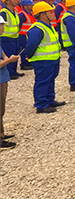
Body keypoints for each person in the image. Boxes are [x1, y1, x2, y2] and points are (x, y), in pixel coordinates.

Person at [25, 2, 66, 112]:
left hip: (52, 59)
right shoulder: (37, 29)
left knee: (50, 79)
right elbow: (31, 45)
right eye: (50, 12)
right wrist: (28, 56)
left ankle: (49, 99)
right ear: (42, 15)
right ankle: (41, 104)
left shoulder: (48, 26)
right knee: (43, 81)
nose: (53, 14)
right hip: (43, 61)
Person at [0, 16, 21, 149]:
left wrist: (7, 59)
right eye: (1, 25)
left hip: (3, 79)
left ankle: (1, 134)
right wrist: (9, 60)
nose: (3, 27)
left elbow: (3, 56)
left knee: (1, 109)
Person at [0, 0, 23, 80]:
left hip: (15, 37)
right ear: (8, 2)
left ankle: (13, 71)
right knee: (9, 55)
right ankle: (9, 73)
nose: (16, 1)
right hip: (6, 38)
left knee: (15, 54)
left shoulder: (14, 12)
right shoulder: (3, 13)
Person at [17, 0, 36, 71]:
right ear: (24, 6)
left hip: (29, 35)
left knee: (29, 48)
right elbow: (19, 25)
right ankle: (23, 64)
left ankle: (28, 62)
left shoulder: (31, 13)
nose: (31, 6)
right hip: (23, 35)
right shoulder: (22, 14)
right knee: (24, 49)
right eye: (30, 5)